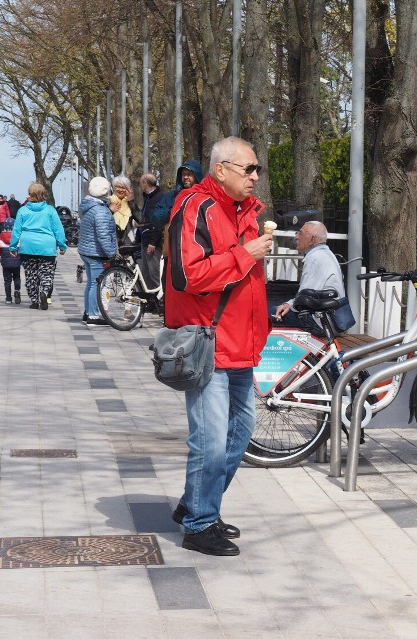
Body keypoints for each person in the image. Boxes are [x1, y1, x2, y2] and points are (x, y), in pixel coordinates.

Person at [165, 137, 273, 556]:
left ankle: (198, 503)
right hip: (209, 342)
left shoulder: (243, 210)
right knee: (209, 439)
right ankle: (199, 523)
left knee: (240, 432)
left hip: (240, 344)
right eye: (248, 169)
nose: (255, 177)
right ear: (221, 169)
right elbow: (187, 275)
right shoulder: (196, 206)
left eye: (257, 169)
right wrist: (245, 254)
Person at [272, 220, 346, 334]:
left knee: (268, 312)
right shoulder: (327, 254)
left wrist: (288, 305)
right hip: (333, 319)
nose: (296, 237)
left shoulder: (315, 258)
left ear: (312, 240)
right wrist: (289, 304)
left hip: (321, 323)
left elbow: (304, 298)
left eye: (300, 233)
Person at [8, 183, 67, 310]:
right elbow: (58, 229)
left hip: (28, 246)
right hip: (47, 246)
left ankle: (34, 301)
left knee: (31, 275)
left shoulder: (23, 210)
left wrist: (13, 247)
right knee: (46, 274)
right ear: (43, 194)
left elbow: (16, 230)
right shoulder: (50, 210)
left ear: (30, 195)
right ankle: (44, 292)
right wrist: (62, 245)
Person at [77, 177, 117, 326]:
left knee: (90, 284)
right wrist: (111, 253)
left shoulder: (88, 207)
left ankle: (88, 312)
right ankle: (93, 316)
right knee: (95, 284)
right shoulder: (101, 211)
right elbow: (103, 235)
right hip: (96, 253)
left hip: (86, 251)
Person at [149, 159, 203, 231]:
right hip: (177, 238)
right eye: (183, 174)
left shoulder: (204, 196)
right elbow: (155, 217)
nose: (185, 177)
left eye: (189, 174)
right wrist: (172, 210)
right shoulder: (173, 196)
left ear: (196, 176)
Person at [136, 173, 167, 290]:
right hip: (144, 239)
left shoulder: (159, 198)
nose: (140, 186)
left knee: (154, 275)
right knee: (146, 275)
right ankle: (150, 303)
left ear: (145, 183)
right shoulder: (147, 197)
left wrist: (153, 242)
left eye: (141, 183)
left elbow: (159, 222)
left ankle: (160, 302)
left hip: (152, 242)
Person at [110, 175, 140, 246]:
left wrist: (131, 201)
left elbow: (140, 219)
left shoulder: (130, 203)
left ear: (127, 189)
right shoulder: (109, 201)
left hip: (127, 243)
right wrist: (110, 210)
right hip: (112, 242)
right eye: (117, 187)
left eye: (123, 187)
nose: (120, 190)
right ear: (113, 188)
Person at [0, 216, 22, 304]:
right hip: (16, 262)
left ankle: (8, 298)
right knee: (16, 277)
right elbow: (21, 250)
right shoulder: (18, 237)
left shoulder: (0, 238)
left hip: (5, 263)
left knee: (7, 280)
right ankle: (17, 290)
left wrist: (2, 255)